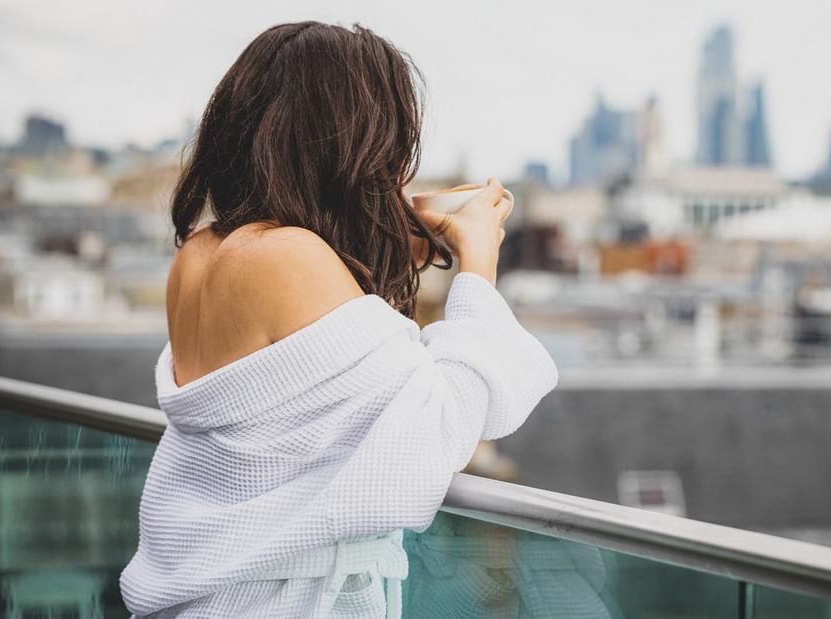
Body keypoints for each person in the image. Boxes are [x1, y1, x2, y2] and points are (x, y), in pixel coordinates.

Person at [118, 21, 557, 618]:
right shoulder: (285, 257)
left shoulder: (201, 253)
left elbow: (298, 408)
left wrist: (385, 234)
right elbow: (436, 432)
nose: (399, 165)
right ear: (348, 141)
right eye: (393, 145)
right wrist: (478, 261)